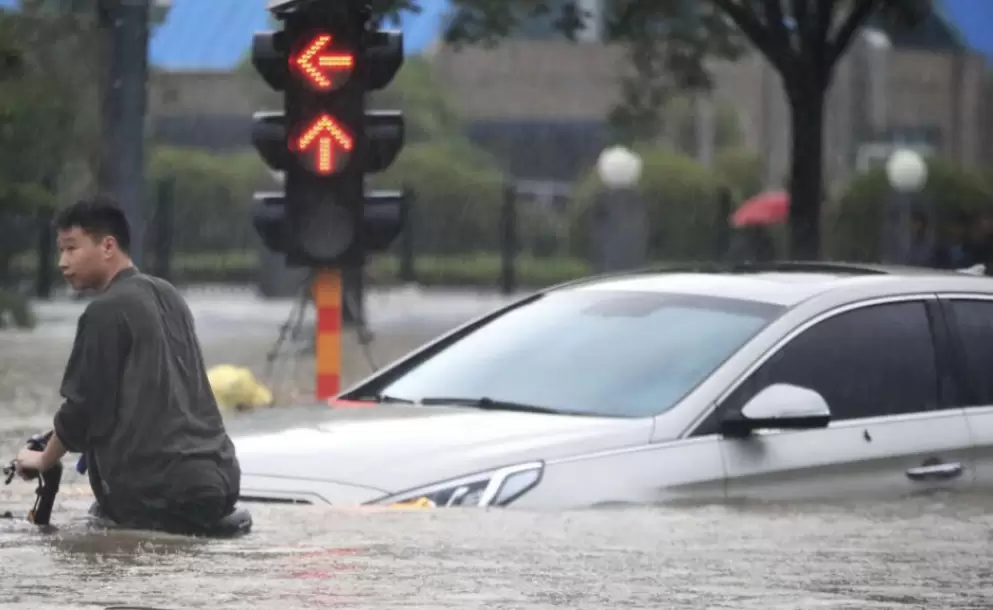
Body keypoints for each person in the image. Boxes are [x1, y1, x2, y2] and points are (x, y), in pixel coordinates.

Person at [14, 196, 242, 535]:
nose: (62, 262)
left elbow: (83, 410)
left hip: (156, 494)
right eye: (60, 251)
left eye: (72, 248)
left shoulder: (105, 311)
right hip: (220, 480)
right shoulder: (169, 295)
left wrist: (42, 459)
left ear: (108, 246)